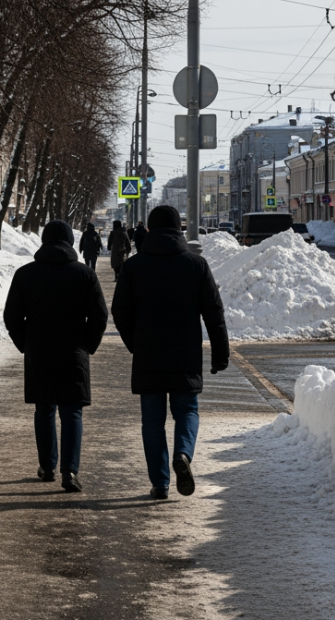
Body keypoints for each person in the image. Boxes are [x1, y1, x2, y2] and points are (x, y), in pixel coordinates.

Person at [110, 206, 229, 500]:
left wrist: (134, 344)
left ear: (149, 230)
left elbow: (120, 311)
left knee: (152, 421)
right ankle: (183, 454)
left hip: (148, 355)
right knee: (187, 411)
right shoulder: (196, 265)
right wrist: (220, 353)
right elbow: (214, 312)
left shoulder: (133, 267)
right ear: (180, 231)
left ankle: (160, 483)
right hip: (185, 355)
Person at [3, 221, 109, 493]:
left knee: (44, 409)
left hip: (39, 350)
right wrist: (87, 344)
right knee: (72, 412)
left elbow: (12, 316)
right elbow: (99, 315)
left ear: (44, 241)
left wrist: (25, 344)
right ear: (71, 242)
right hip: (73, 350)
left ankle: (48, 466)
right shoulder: (84, 274)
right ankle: (70, 471)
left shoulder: (25, 274)